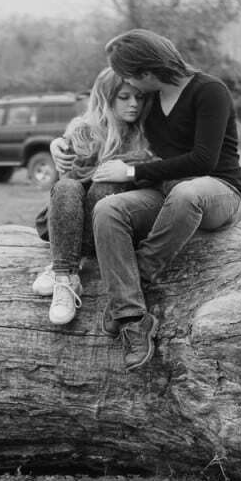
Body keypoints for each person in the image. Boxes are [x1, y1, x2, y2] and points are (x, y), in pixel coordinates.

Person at [89, 29, 241, 371]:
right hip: (165, 193)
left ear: (146, 71)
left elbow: (203, 160)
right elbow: (106, 119)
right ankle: (132, 317)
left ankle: (136, 283)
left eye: (129, 75)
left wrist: (132, 175)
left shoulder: (209, 91)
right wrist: (66, 144)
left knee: (186, 192)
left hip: (217, 192)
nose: (128, 83)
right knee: (107, 210)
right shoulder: (150, 101)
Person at [31, 67, 156, 326]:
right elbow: (67, 184)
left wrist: (124, 170)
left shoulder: (148, 133)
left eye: (139, 97)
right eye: (124, 97)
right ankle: (65, 277)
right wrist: (59, 147)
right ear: (106, 97)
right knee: (67, 187)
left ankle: (61, 264)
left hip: (112, 227)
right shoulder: (84, 131)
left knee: (105, 186)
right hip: (70, 217)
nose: (134, 104)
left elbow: (153, 165)